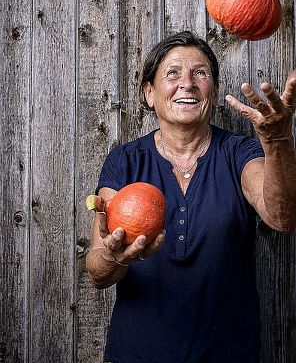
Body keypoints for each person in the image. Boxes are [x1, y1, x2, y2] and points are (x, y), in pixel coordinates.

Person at [86, 31, 296, 363]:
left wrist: (278, 140)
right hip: (137, 355)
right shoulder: (125, 161)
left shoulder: (239, 151)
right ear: (150, 94)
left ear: (212, 94)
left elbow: (282, 218)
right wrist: (117, 259)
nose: (188, 83)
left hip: (229, 356)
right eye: (173, 73)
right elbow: (97, 271)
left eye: (200, 73)